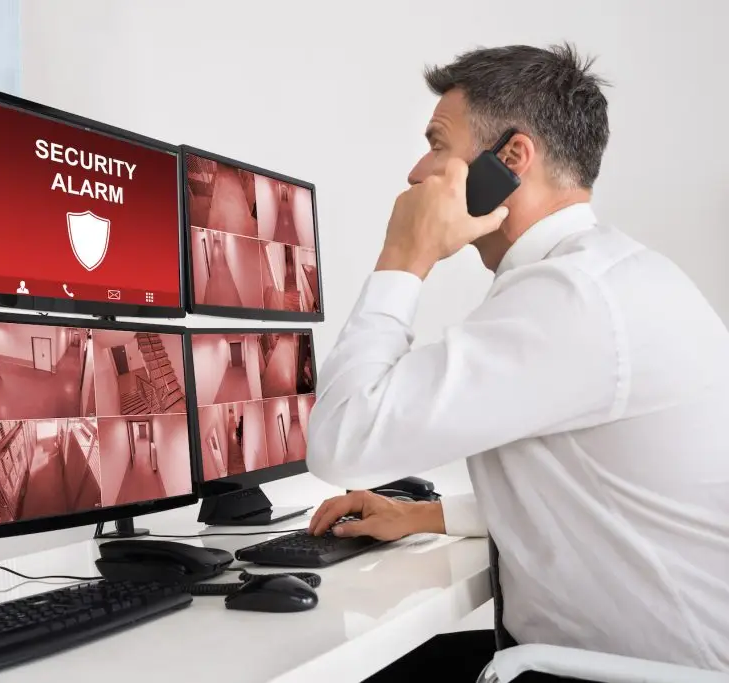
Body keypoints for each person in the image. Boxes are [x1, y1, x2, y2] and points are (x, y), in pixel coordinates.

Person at [305, 43, 729, 680]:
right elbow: (602, 492)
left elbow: (342, 440)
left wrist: (404, 254)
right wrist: (422, 515)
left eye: (437, 144)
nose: (419, 173)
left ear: (511, 159)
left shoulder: (572, 300)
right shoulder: (611, 275)